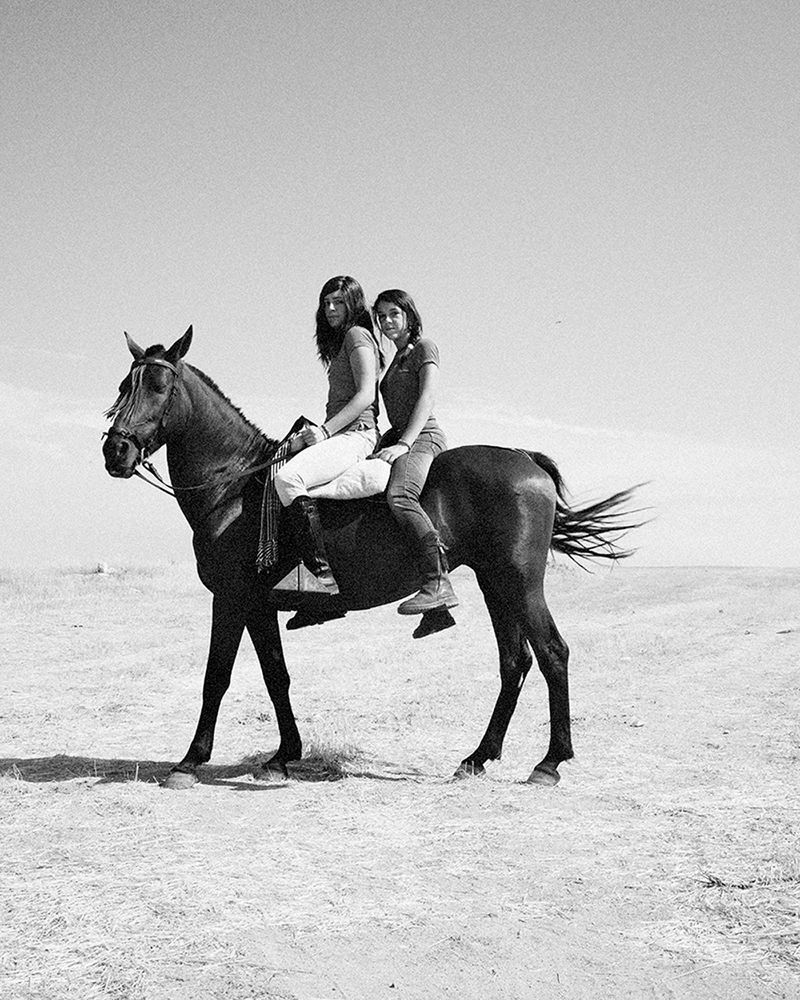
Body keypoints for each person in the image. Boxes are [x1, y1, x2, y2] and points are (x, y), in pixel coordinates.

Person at [274, 276, 381, 592]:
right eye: (326, 302)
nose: (331, 308)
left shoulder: (357, 336)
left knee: (288, 479)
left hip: (357, 434)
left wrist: (324, 431)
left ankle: (320, 576)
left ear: (354, 305)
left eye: (339, 302)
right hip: (340, 434)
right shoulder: (339, 343)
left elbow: (365, 396)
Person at [372, 289, 458, 635]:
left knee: (400, 496)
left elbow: (427, 396)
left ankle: (438, 581)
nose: (387, 321)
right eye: (381, 317)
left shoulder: (426, 347)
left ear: (408, 314)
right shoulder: (394, 359)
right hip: (399, 438)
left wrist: (405, 443)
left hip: (423, 437)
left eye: (393, 313)